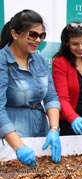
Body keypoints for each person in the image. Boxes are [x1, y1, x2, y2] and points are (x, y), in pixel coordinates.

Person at [0, 9, 61, 167]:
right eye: (33, 34)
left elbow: (51, 97)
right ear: (15, 34)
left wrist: (54, 129)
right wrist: (18, 147)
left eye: (42, 35)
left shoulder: (39, 59)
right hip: (12, 137)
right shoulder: (2, 60)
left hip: (41, 132)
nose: (38, 40)